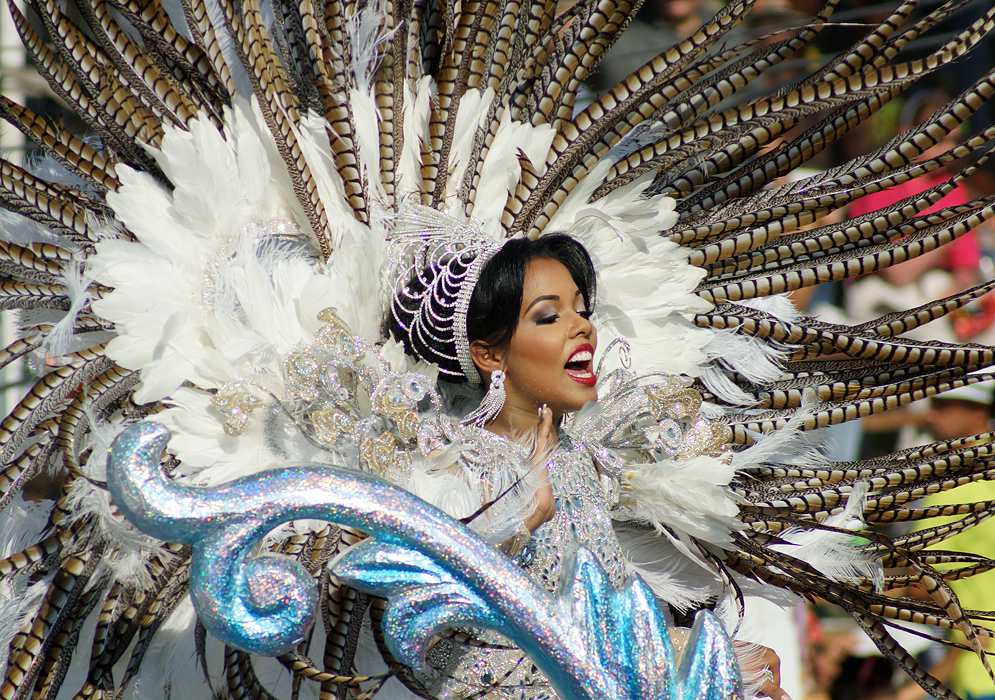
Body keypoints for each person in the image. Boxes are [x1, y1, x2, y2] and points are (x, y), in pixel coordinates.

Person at [385, 232, 788, 699]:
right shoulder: (457, 463)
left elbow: (606, 612)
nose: (582, 327)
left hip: (594, 673)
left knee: (759, 670)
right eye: (549, 316)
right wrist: (523, 518)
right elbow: (433, 617)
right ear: (490, 355)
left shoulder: (577, 455)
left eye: (582, 310)